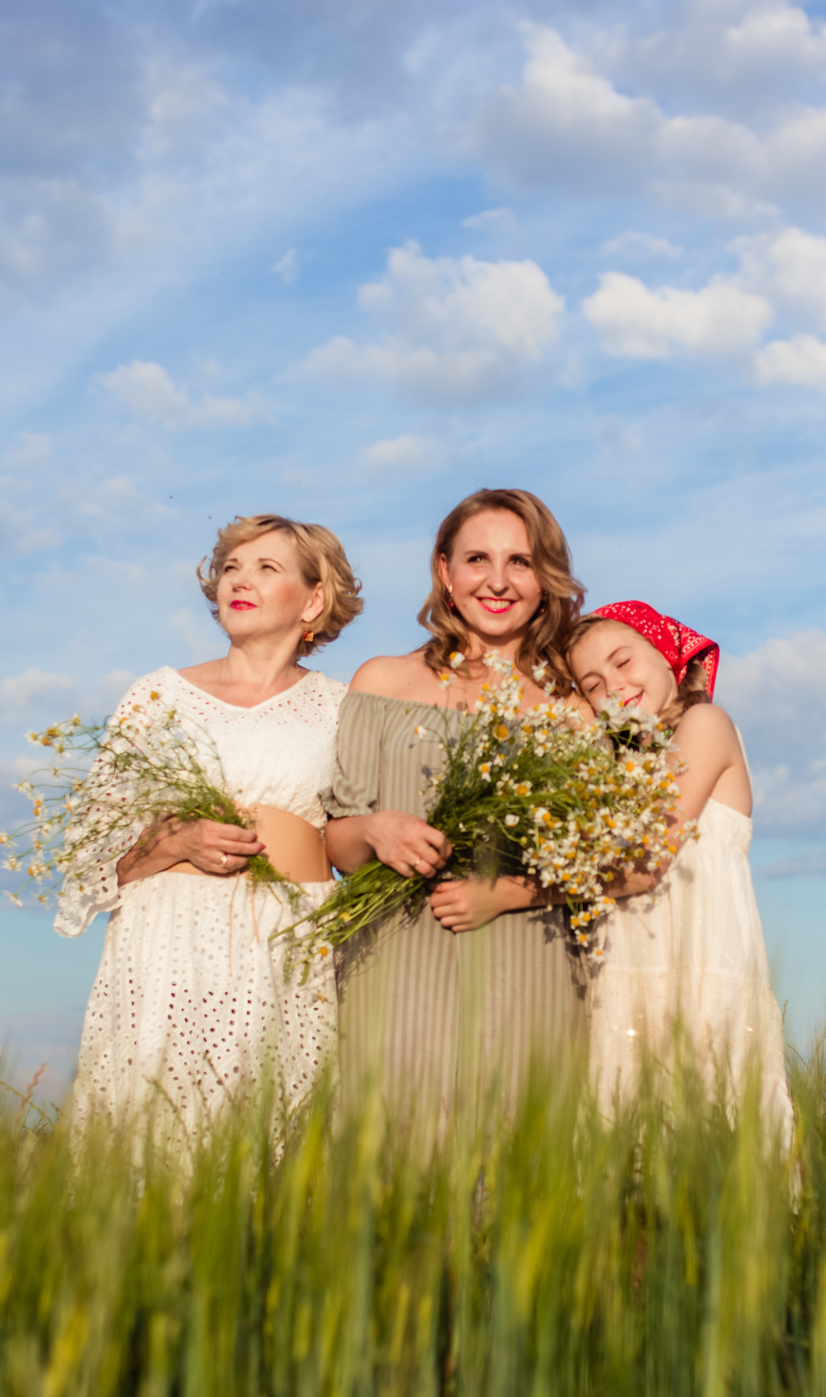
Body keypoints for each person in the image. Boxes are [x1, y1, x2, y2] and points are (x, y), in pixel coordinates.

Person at [55, 515, 360, 1138]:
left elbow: (354, 839)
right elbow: (88, 859)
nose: (237, 580)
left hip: (288, 947)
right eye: (230, 568)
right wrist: (173, 842)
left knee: (275, 1147)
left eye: (265, 568)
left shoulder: (342, 707)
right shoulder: (157, 698)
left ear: (314, 598)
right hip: (167, 947)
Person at [323, 488, 588, 1117]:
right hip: (394, 966)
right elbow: (336, 844)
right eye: (477, 560)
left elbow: (595, 867)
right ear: (444, 570)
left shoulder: (572, 711)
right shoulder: (383, 680)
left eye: (520, 562)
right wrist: (377, 829)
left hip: (531, 968)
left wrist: (509, 893)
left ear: (545, 577)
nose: (498, 581)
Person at [566, 600, 791, 1137]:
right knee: (623, 1130)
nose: (613, 687)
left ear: (668, 654)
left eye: (623, 662)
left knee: (715, 1122)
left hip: (703, 971)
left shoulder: (706, 723)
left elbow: (645, 853)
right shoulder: (615, 762)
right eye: (591, 684)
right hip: (625, 977)